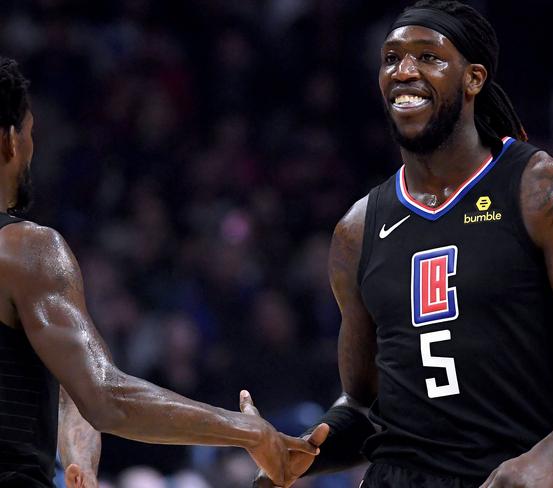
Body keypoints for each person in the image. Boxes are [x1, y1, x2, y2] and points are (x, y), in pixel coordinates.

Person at [254, 1, 553, 487]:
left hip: (518, 474)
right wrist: (303, 449)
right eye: (392, 57)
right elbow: (364, 405)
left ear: (474, 78)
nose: (404, 71)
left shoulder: (540, 190)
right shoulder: (356, 231)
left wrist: (551, 457)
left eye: (428, 57)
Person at [0, 57, 328, 488]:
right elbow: (107, 397)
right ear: (7, 140)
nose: (31, 147)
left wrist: (80, 455)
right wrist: (248, 430)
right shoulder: (24, 249)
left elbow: (70, 387)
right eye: (29, 133)